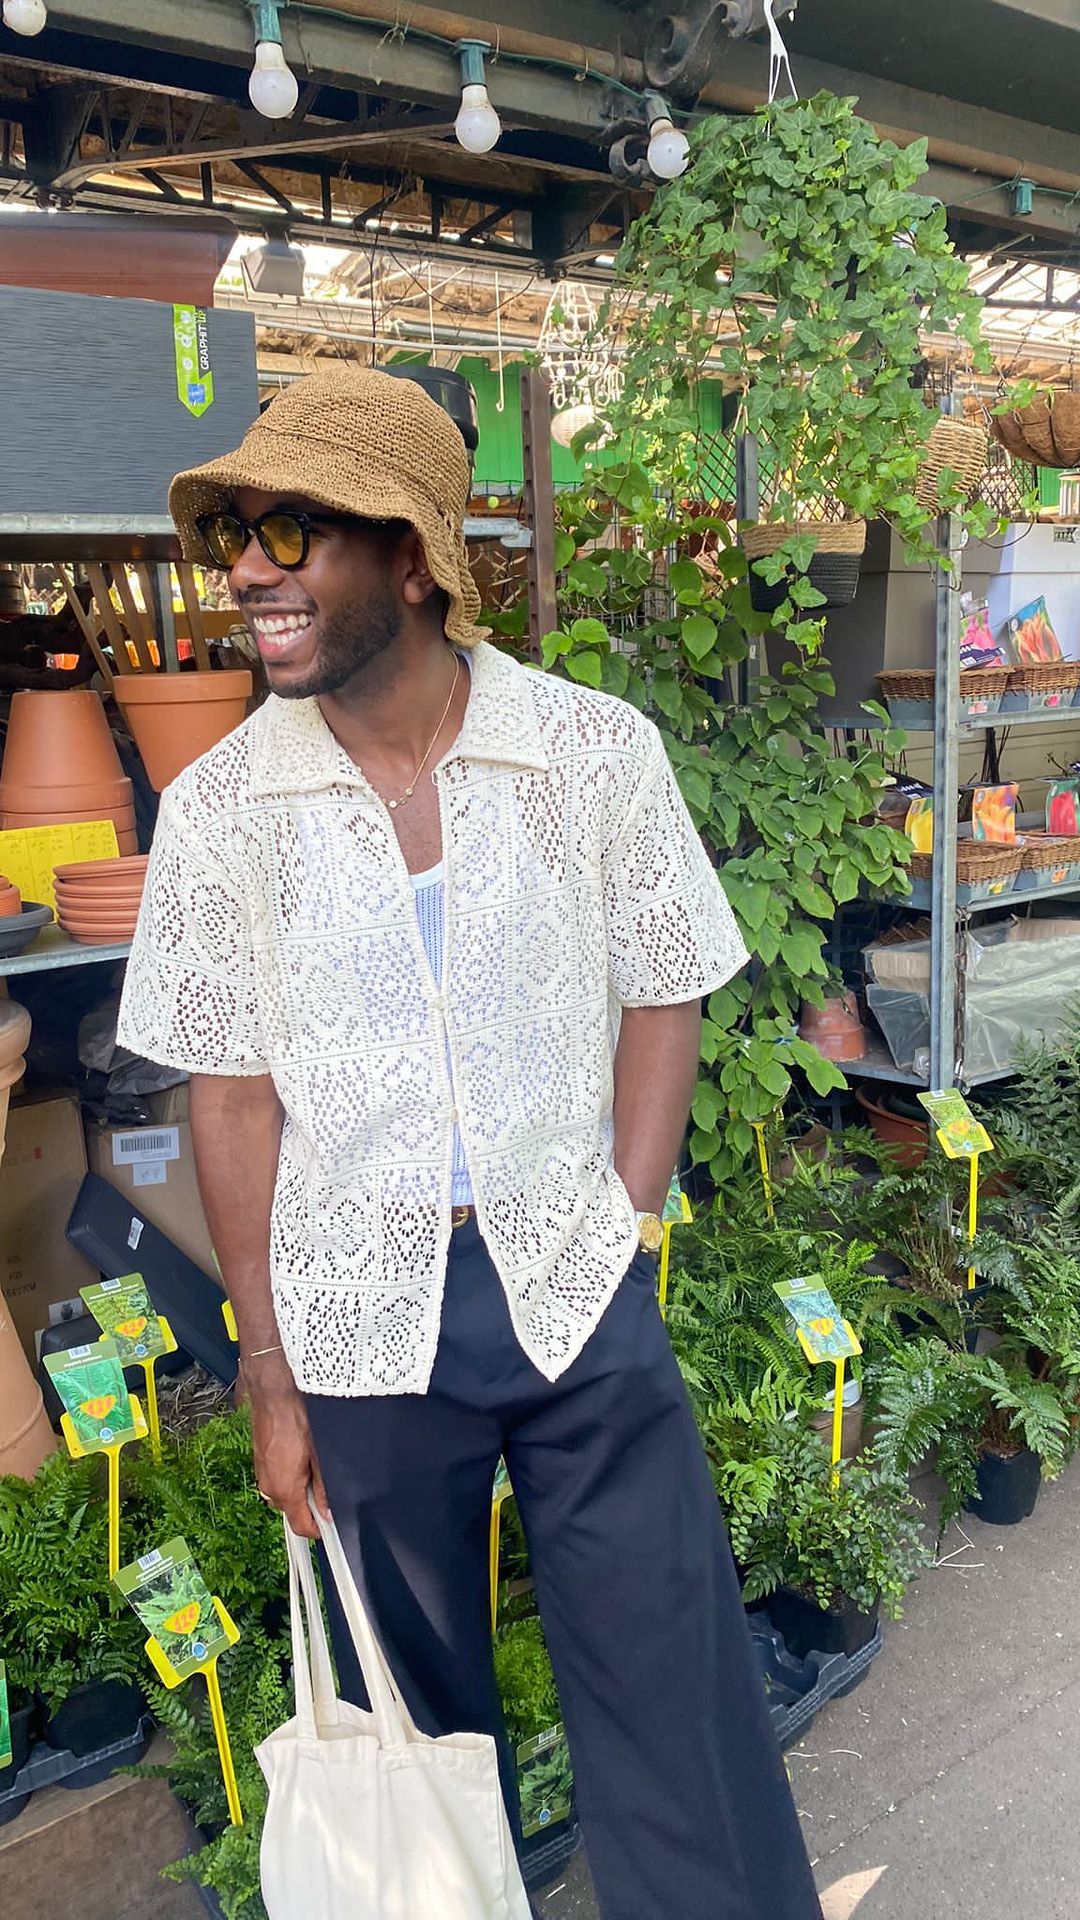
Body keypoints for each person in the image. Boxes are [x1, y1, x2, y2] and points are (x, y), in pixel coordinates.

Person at [119, 368, 823, 1920]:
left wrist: (625, 1218)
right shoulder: (223, 812)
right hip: (361, 1322)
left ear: (414, 556)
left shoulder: (589, 752)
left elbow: (666, 984)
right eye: (236, 533)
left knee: (674, 1684)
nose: (249, 571)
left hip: (570, 1281)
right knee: (419, 1724)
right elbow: (229, 1097)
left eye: (293, 532)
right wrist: (268, 1371)